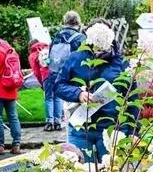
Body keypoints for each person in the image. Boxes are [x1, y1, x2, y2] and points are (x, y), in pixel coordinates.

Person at [54, 21, 133, 162]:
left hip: (112, 129)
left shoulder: (120, 62)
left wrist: (133, 131)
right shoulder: (75, 58)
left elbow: (132, 97)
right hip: (81, 129)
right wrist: (78, 94)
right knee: (82, 171)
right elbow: (58, 86)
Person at [45, 11, 85, 132]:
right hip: (74, 76)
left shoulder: (57, 37)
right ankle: (67, 125)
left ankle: (52, 121)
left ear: (65, 21)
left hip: (55, 72)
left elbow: (49, 56)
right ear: (78, 22)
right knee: (76, 102)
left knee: (55, 96)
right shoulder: (81, 38)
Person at [27, 39, 54, 131]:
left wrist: (42, 83)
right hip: (56, 74)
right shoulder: (49, 48)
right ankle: (58, 122)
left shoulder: (33, 55)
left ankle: (50, 122)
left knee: (49, 98)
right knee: (57, 98)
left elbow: (37, 72)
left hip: (46, 76)